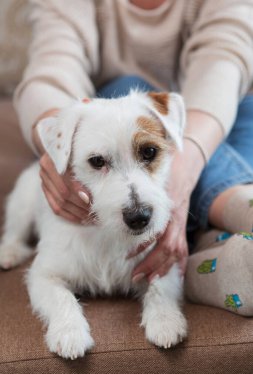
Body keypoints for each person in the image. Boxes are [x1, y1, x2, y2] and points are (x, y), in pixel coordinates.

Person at [14, 0, 253, 313]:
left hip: (210, 123)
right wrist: (55, 140)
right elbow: (51, 68)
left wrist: (182, 174)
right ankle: (235, 222)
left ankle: (224, 247)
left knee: (245, 109)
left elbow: (224, 61)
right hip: (123, 127)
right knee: (127, 86)